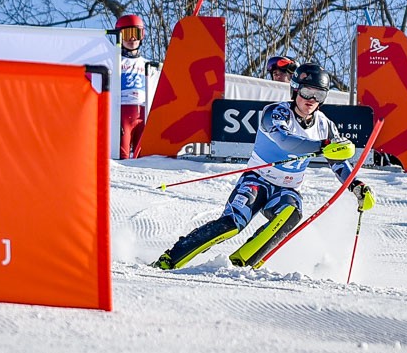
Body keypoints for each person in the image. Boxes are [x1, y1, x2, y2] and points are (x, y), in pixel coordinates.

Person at [153, 63, 376, 270]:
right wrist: (323, 146)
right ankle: (171, 258)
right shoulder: (276, 112)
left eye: (319, 95)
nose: (311, 99)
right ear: (295, 90)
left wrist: (356, 185)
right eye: (307, 92)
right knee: (232, 224)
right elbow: (285, 141)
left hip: (287, 189)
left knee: (292, 213)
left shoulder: (324, 125)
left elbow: (338, 162)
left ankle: (243, 262)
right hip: (257, 180)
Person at [116, 14, 149, 159]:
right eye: (127, 34)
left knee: (142, 156)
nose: (132, 38)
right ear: (119, 36)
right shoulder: (115, 61)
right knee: (121, 154)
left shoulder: (147, 64)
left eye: (136, 33)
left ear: (142, 35)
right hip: (122, 111)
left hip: (143, 111)